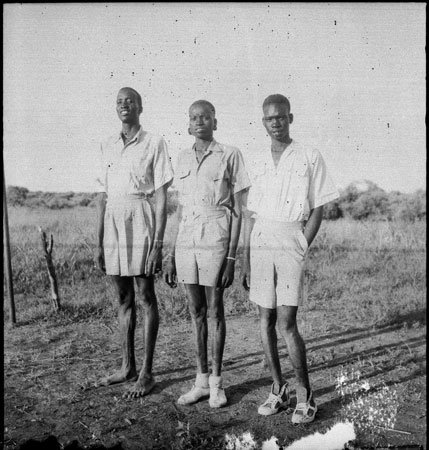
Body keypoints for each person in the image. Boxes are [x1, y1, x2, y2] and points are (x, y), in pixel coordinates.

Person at [241, 94, 339, 423]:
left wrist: (302, 243)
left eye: (281, 117)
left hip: (290, 237)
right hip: (260, 239)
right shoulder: (256, 160)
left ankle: (305, 394)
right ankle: (278, 388)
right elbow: (250, 214)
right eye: (270, 118)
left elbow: (319, 206)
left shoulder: (309, 156)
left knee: (287, 323)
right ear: (263, 122)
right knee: (265, 321)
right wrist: (245, 258)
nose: (276, 123)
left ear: (290, 118)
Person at [165, 100, 250, 408]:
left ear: (215, 122)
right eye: (194, 117)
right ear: (188, 125)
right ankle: (200, 382)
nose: (199, 121)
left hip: (216, 235)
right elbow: (180, 210)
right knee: (195, 312)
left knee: (215, 311)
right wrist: (171, 253)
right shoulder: (183, 156)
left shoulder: (230, 154)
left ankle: (217, 384)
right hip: (187, 238)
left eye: (205, 117)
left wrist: (231, 258)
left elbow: (239, 213)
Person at [95, 87, 173, 398]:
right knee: (123, 298)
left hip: (141, 217)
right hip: (113, 219)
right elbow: (101, 196)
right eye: (119, 101)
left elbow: (163, 195)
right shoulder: (107, 145)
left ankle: (147, 372)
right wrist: (99, 240)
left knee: (145, 295)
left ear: (140, 107)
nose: (124, 105)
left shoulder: (154, 142)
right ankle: (127, 366)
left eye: (130, 101)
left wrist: (157, 243)